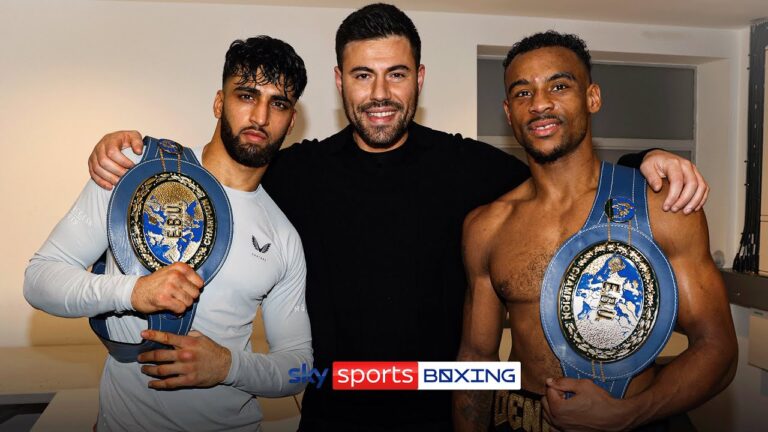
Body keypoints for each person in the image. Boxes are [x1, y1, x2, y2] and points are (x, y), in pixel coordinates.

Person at [84, 4, 709, 431]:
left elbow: (562, 171)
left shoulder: (470, 168)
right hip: (333, 406)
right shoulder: (296, 172)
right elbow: (223, 166)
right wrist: (137, 152)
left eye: (396, 74)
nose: (380, 93)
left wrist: (643, 159)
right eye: (363, 75)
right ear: (339, 82)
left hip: (443, 408)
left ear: (419, 79)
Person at [24, 36, 312, 431]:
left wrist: (228, 366)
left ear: (291, 120)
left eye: (278, 103)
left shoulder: (283, 237)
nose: (260, 116)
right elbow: (39, 280)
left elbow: (298, 369)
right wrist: (133, 292)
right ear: (219, 102)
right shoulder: (136, 171)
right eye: (246, 95)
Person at [453, 31, 737, 432]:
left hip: (639, 418)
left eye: (559, 85)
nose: (539, 104)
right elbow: (476, 357)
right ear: (508, 111)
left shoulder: (661, 207)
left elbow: (718, 348)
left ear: (592, 98)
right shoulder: (487, 226)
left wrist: (628, 415)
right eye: (522, 93)